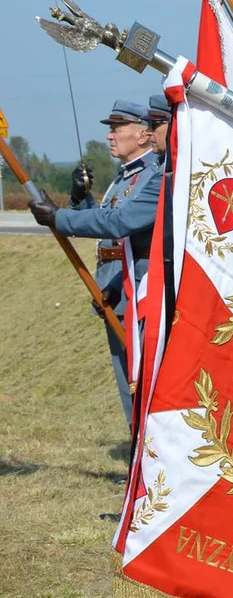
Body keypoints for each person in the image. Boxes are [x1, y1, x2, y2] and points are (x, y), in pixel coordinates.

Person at [27, 100, 163, 427]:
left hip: (140, 289)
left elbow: (119, 223)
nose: (110, 136)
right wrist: (78, 199)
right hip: (117, 288)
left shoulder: (153, 175)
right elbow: (102, 220)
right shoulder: (123, 178)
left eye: (118, 128)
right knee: (126, 381)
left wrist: (59, 217)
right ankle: (137, 456)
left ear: (144, 134)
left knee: (142, 379)